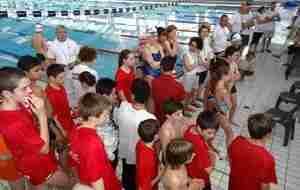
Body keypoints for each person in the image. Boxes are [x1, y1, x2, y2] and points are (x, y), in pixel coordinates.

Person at [0, 67, 71, 190]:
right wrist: (41, 115)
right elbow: (43, 149)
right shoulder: (13, 123)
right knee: (69, 183)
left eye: (29, 86)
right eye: (24, 88)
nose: (30, 91)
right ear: (7, 93)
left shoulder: (15, 104)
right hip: (37, 165)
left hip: (28, 159)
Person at [68, 93, 122, 190]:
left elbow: (74, 160)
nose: (108, 117)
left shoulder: (75, 129)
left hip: (84, 177)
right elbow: (96, 179)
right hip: (104, 184)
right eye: (105, 115)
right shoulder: (93, 143)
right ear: (92, 118)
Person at [219, 113, 278, 190]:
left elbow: (230, 159)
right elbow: (265, 186)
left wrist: (228, 130)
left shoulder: (238, 141)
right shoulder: (267, 159)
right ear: (268, 135)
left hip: (234, 186)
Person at [116, 79, 156, 190]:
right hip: (139, 156)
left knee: (126, 175)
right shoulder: (150, 119)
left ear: (132, 95)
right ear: (148, 97)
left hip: (124, 151)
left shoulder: (123, 107)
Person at [184, 111, 219, 190]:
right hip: (200, 179)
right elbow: (208, 170)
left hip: (190, 171)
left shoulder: (191, 128)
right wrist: (213, 159)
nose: (212, 136)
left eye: (214, 133)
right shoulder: (199, 145)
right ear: (199, 128)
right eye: (209, 133)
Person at [152, 56, 186, 123]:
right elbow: (182, 104)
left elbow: (152, 100)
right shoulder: (179, 86)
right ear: (173, 68)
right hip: (172, 119)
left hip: (157, 116)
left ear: (161, 68)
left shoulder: (153, 82)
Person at [45, 64, 75, 138]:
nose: (63, 79)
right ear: (52, 78)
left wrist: (72, 110)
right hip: (63, 126)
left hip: (69, 122)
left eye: (64, 77)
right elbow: (53, 117)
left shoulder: (60, 86)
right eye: (61, 78)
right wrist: (61, 131)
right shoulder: (50, 95)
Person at [95, 78, 119, 170]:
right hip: (107, 154)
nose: (116, 96)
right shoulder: (98, 115)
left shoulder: (110, 107)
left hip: (112, 145)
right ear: (105, 96)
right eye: (113, 94)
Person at [182, 37, 206, 110]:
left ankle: (188, 105)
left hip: (196, 75)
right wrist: (196, 63)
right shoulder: (185, 53)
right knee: (186, 94)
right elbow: (188, 68)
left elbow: (202, 63)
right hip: (188, 77)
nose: (192, 47)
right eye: (191, 45)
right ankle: (183, 109)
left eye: (195, 46)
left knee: (193, 92)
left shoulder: (196, 53)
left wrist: (199, 55)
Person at [136, 119, 160, 190]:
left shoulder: (140, 142)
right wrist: (160, 175)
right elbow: (144, 187)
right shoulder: (147, 159)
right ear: (155, 137)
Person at [223, 46, 241, 122]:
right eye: (236, 55)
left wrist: (233, 77)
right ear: (229, 56)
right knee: (223, 106)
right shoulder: (223, 64)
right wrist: (233, 77)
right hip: (223, 88)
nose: (238, 57)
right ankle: (221, 121)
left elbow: (239, 75)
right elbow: (224, 79)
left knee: (234, 105)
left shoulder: (234, 63)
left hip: (232, 86)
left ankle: (230, 120)